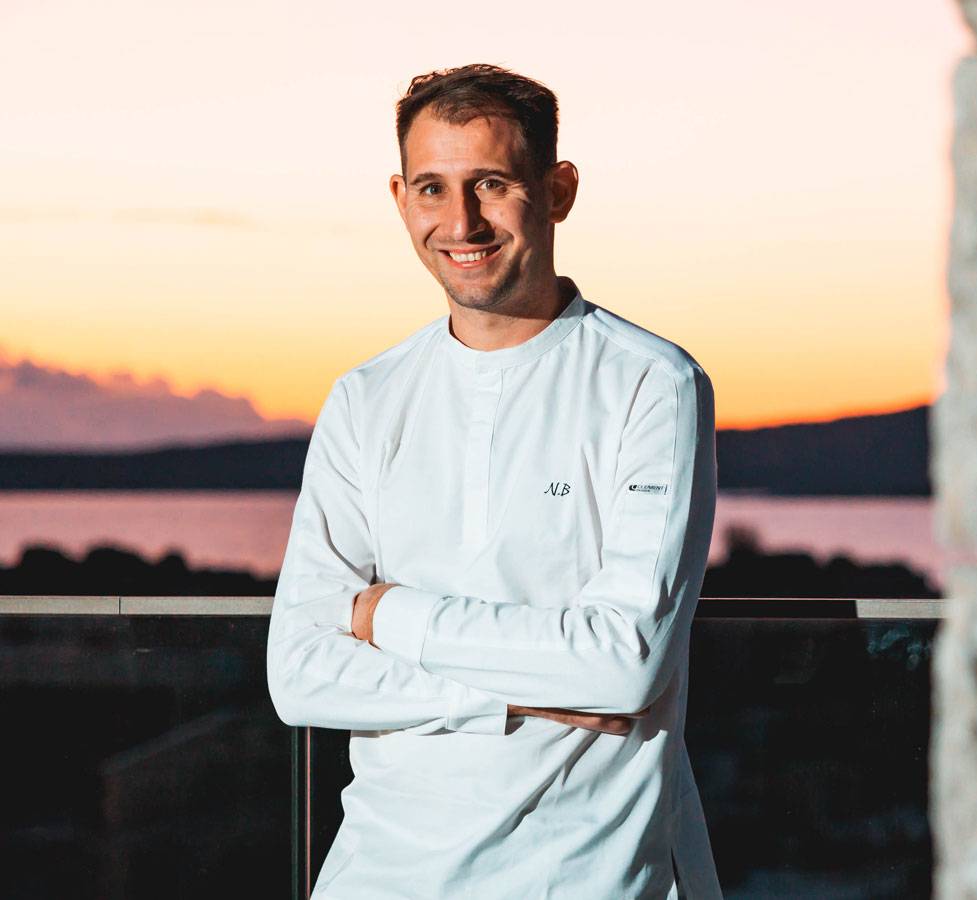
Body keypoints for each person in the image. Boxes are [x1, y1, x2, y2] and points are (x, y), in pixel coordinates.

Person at [265, 63, 721, 899]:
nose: (461, 221)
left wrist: (385, 614)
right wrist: (527, 697)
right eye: (432, 188)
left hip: (580, 878)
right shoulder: (366, 398)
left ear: (558, 191)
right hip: (376, 877)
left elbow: (623, 666)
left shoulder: (652, 385)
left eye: (492, 183)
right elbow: (299, 672)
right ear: (400, 198)